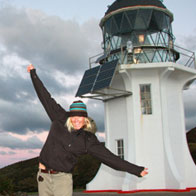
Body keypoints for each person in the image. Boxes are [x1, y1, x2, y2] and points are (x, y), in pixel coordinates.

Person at [27, 64, 148, 196]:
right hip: (43, 176)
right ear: (70, 116)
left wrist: (136, 170)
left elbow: (110, 158)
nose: (77, 120)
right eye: (74, 116)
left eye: (81, 117)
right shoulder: (59, 118)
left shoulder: (88, 140)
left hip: (62, 179)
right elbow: (45, 97)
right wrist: (33, 74)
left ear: (86, 119)